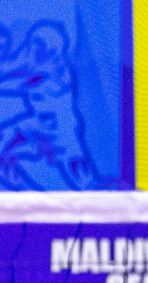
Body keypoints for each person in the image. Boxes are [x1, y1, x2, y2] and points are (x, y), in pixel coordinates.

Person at [0, 22, 97, 191]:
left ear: (51, 46)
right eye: (34, 44)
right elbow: (12, 69)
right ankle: (17, 188)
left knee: (84, 180)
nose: (35, 48)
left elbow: (18, 80)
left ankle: (105, 195)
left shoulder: (57, 69)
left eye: (39, 45)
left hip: (61, 129)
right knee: (3, 140)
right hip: (37, 125)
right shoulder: (37, 63)